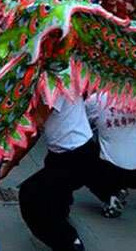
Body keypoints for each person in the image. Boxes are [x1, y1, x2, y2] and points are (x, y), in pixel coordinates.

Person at [16, 94, 95, 251]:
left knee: (29, 196)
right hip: (66, 153)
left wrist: (9, 163)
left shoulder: (52, 84)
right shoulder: (65, 76)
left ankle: (69, 242)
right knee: (56, 195)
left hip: (76, 156)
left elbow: (35, 126)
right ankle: (62, 225)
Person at [85, 93, 136, 217]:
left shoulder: (95, 100)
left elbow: (83, 124)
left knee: (86, 156)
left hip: (111, 167)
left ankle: (111, 196)